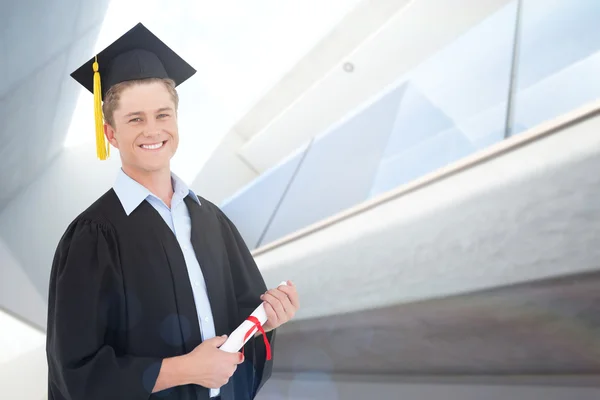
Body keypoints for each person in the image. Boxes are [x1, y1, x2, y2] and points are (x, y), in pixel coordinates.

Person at [46, 23, 300, 400]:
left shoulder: (213, 221)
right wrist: (183, 369)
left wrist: (270, 318)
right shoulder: (92, 236)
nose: (153, 130)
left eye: (163, 115)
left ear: (176, 121)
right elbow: (75, 370)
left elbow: (244, 322)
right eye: (135, 119)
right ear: (110, 133)